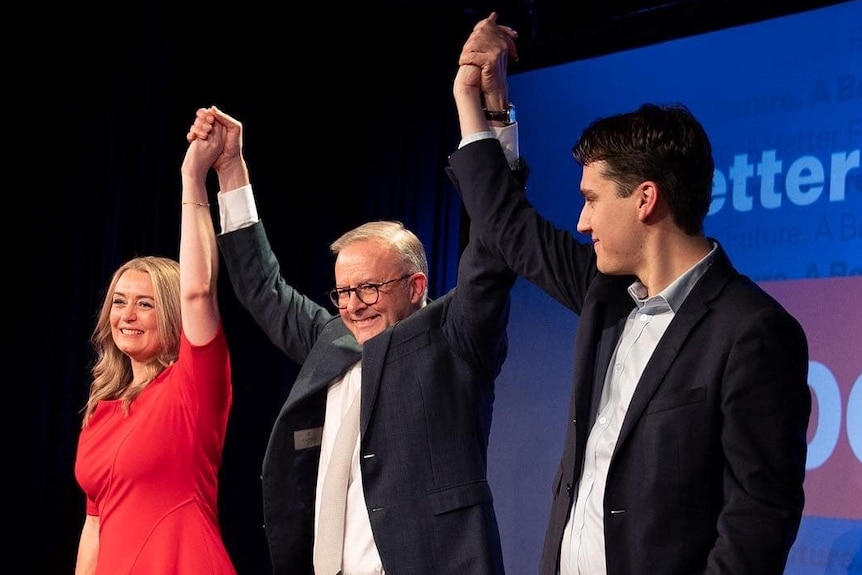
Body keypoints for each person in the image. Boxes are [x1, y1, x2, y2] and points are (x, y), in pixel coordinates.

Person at [446, 13, 812, 575]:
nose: (583, 220)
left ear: (645, 199)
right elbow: (506, 226)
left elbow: (759, 519)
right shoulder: (607, 296)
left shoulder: (753, 331)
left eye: (592, 199)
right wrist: (483, 109)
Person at [186, 105, 518, 575]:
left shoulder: (454, 341)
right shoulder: (334, 340)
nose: (352, 305)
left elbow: (493, 252)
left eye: (368, 289)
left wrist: (497, 123)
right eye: (342, 291)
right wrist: (230, 170)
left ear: (416, 286)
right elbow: (263, 288)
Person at [73, 115, 237, 574]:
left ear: (171, 315)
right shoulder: (101, 411)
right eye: (119, 302)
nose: (126, 315)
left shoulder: (193, 386)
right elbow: (94, 527)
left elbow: (199, 290)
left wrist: (194, 180)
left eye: (144, 304)